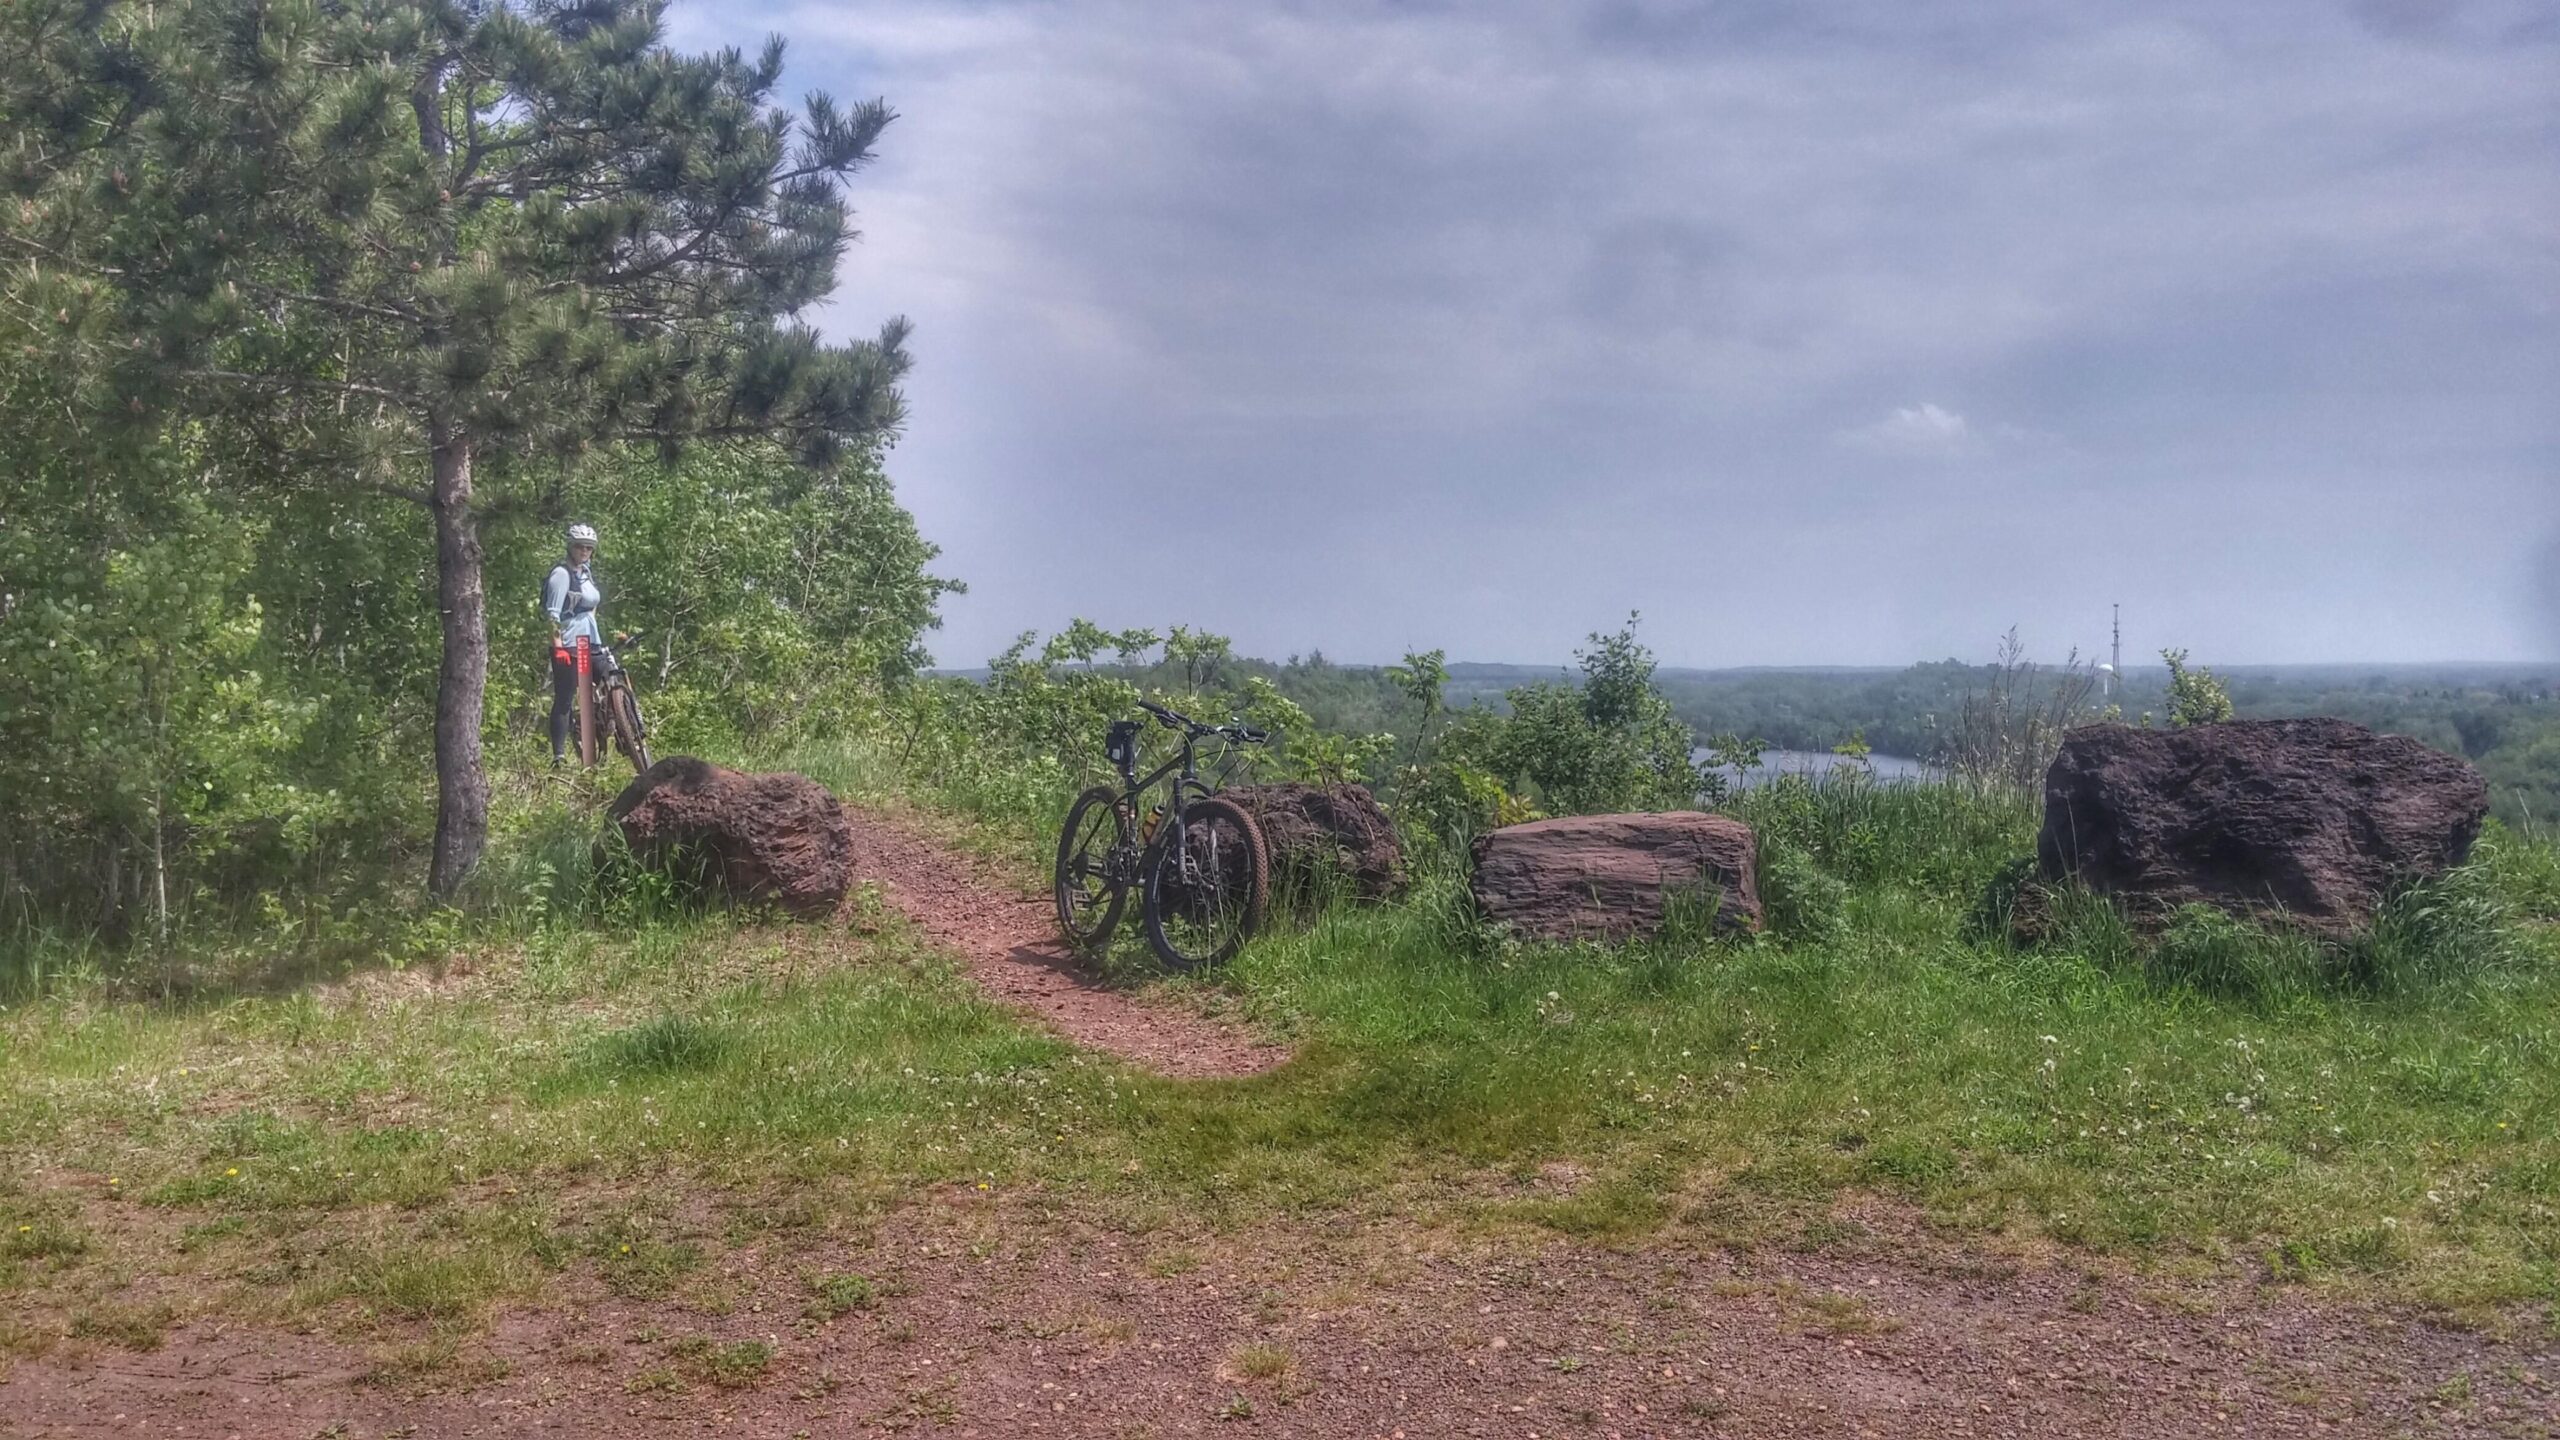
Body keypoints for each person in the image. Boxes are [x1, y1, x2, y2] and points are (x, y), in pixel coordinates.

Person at [543, 522, 605, 765]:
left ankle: (619, 725)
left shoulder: (586, 573)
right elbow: (552, 614)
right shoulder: (561, 574)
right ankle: (559, 756)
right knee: (565, 698)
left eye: (589, 548)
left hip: (590, 641)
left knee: (610, 676)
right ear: (570, 547)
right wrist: (558, 647)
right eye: (580, 547)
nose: (584, 551)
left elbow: (593, 603)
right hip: (570, 643)